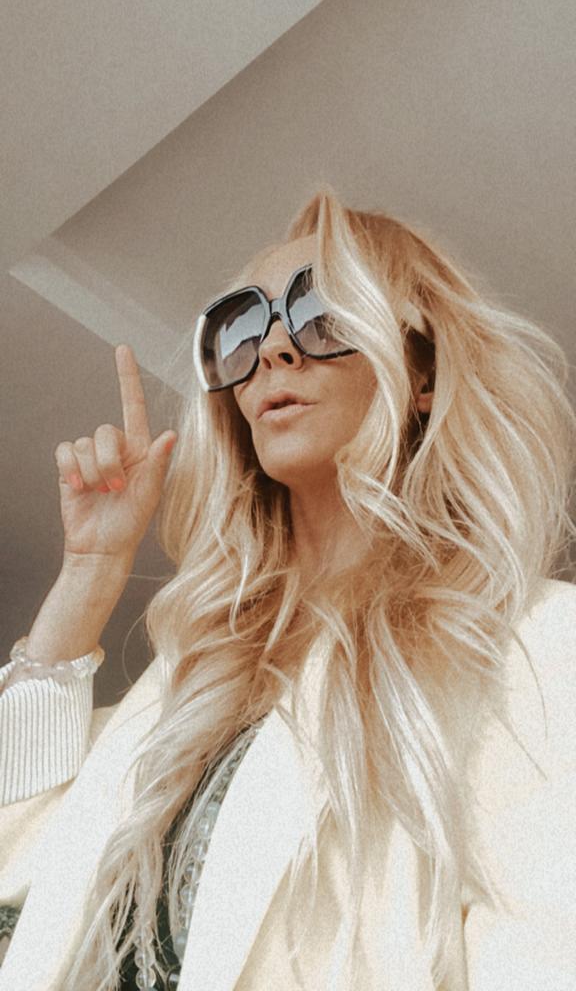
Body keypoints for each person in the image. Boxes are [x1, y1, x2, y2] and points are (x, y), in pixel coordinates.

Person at [0, 187, 575, 991]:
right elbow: (15, 868)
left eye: (323, 315)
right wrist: (90, 572)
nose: (273, 349)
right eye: (242, 326)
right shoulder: (192, 672)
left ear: (424, 372)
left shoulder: (536, 647)